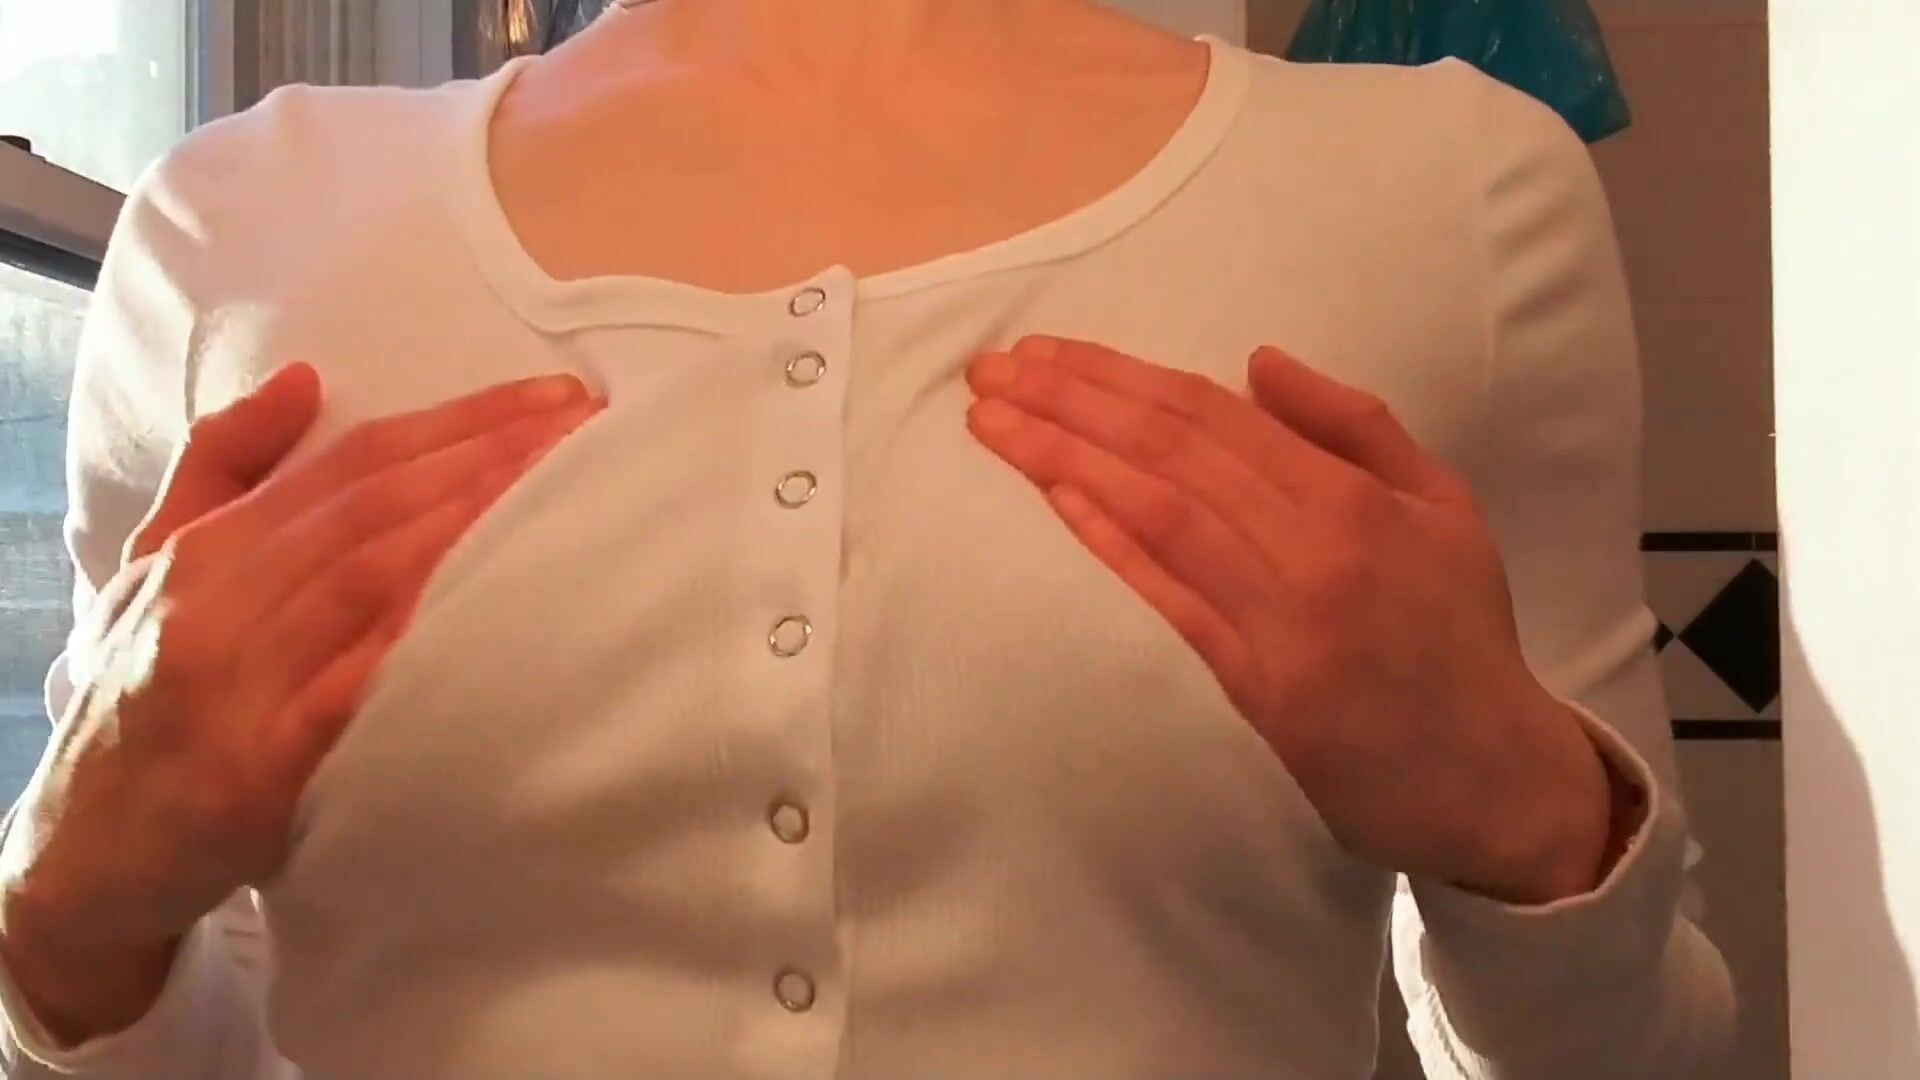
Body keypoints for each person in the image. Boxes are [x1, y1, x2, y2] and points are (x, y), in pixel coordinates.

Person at [0, 0, 1737, 1075]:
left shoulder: (1445, 200)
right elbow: (166, 1024)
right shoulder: (240, 235)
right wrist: (66, 904)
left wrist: (1529, 823)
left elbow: (1637, 1054)